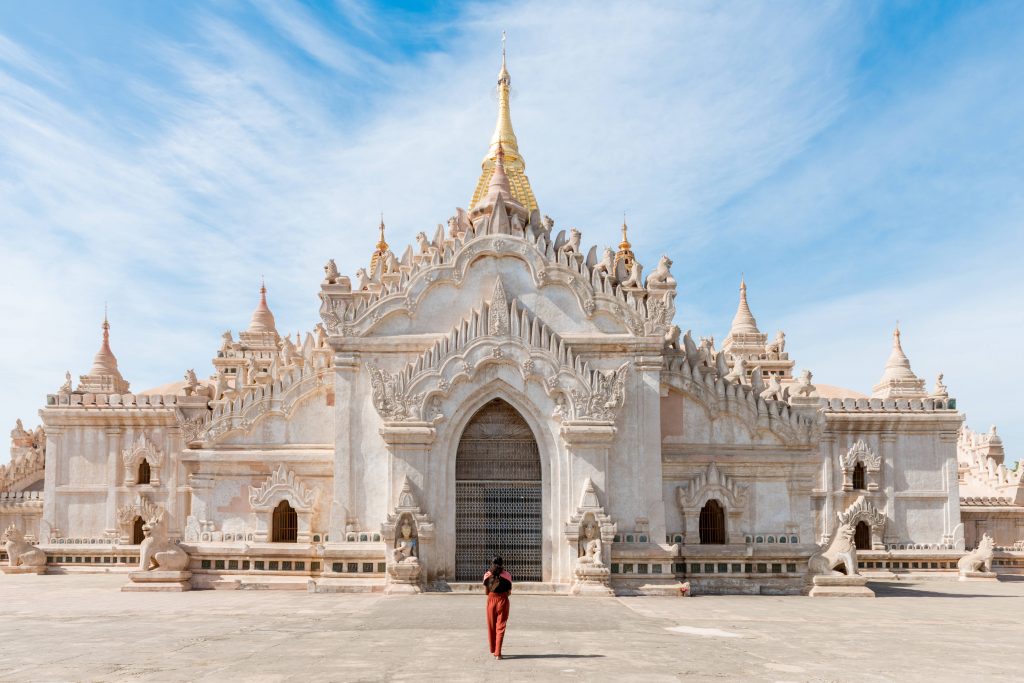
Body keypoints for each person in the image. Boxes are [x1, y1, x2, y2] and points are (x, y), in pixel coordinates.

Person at [482, 555, 512, 659]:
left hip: (491, 600)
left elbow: (486, 592)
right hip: (502, 600)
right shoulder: (507, 575)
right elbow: (509, 592)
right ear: (502, 564)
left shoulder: (487, 575)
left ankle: (493, 649)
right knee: (501, 627)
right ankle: (498, 654)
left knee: (491, 626)